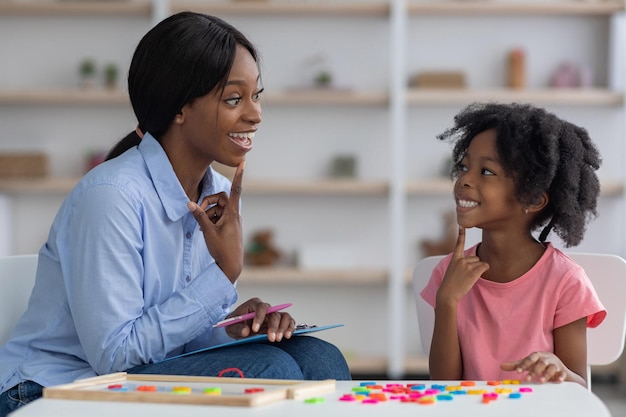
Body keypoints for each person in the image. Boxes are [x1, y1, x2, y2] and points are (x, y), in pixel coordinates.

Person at [0, 11, 350, 417]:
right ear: (180, 108)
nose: (255, 114)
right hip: (45, 392)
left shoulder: (217, 194)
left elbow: (178, 340)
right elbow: (116, 356)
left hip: (130, 377)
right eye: (234, 99)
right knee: (270, 370)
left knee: (318, 359)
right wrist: (223, 276)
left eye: (256, 96)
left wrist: (232, 329)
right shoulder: (111, 197)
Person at [420, 102, 606, 388]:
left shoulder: (565, 281)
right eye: (465, 167)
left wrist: (558, 369)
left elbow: (578, 388)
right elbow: (444, 384)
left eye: (486, 172)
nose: (464, 180)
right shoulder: (449, 273)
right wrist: (447, 301)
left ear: (532, 199)